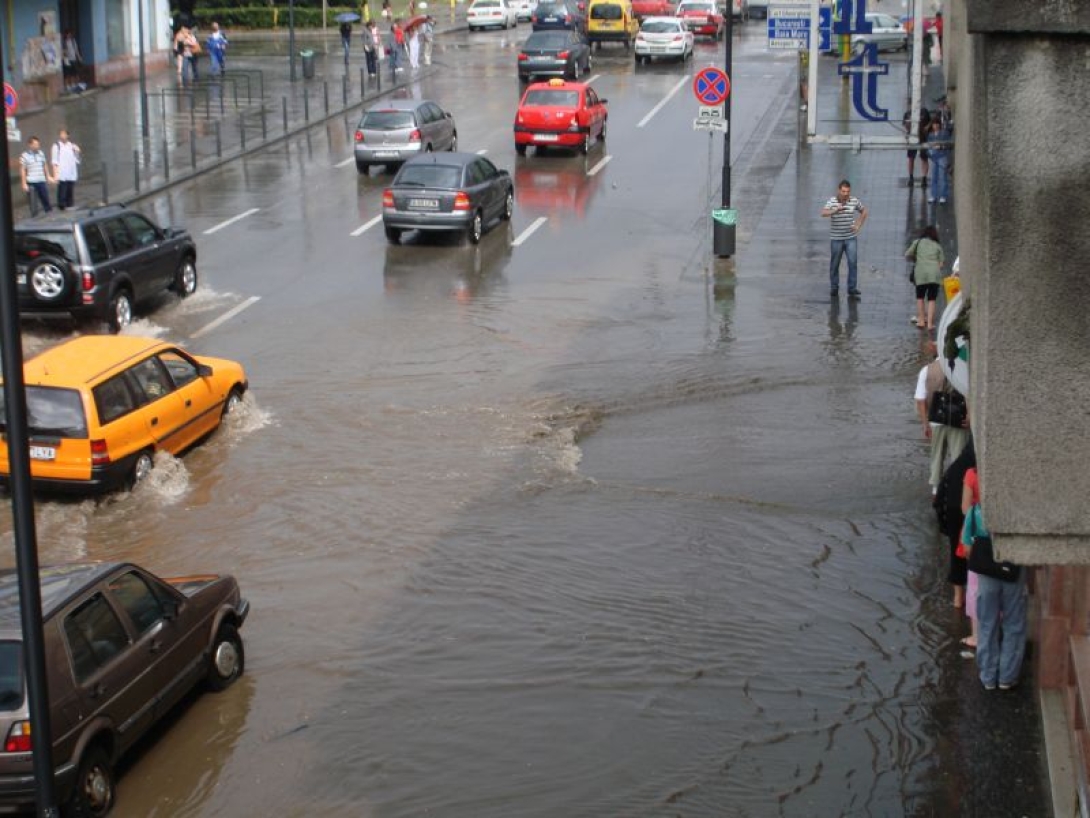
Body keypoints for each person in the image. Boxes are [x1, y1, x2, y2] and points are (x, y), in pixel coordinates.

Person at [962, 470, 1027, 691]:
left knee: (987, 623)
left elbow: (968, 549)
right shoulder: (1019, 512)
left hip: (986, 575)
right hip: (1012, 570)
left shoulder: (976, 512)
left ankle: (988, 675)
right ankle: (1007, 676)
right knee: (1014, 623)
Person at [914, 346, 970, 494]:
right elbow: (969, 393)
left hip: (936, 420)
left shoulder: (927, 370)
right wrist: (969, 416)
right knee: (958, 456)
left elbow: (920, 400)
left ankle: (936, 489)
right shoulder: (963, 368)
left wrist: (925, 424)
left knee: (936, 456)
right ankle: (958, 489)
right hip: (959, 421)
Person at [820, 179, 867, 299]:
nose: (845, 194)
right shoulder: (833, 201)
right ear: (839, 190)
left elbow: (864, 211)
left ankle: (852, 288)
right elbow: (823, 213)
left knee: (852, 262)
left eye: (847, 191)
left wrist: (858, 224)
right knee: (835, 263)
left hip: (850, 238)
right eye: (843, 191)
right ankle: (834, 287)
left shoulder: (854, 200)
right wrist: (835, 210)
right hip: (836, 238)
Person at [905, 225, 944, 329]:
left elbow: (907, 254)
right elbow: (941, 264)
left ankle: (921, 321)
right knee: (932, 299)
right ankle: (930, 324)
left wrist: (916, 258)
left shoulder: (917, 242)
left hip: (921, 274)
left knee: (920, 297)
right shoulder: (937, 245)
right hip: (934, 275)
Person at [20, 136, 55, 217]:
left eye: (38, 144)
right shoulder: (24, 155)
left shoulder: (41, 153)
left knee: (45, 198)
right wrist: (24, 183)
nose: (37, 146)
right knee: (33, 202)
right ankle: (34, 217)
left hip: (41, 180)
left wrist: (48, 176)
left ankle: (49, 215)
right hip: (31, 182)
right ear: (30, 145)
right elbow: (22, 170)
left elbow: (44, 165)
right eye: (35, 144)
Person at [50, 129, 81, 211]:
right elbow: (54, 161)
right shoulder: (56, 145)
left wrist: (77, 151)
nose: (62, 136)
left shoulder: (72, 145)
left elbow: (77, 159)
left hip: (71, 172)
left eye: (64, 134)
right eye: (61, 134)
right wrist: (55, 175)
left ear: (68, 135)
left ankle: (70, 206)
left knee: (70, 191)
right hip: (61, 173)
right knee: (62, 191)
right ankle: (62, 207)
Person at [901, 106, 930, 187]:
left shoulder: (924, 111)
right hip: (912, 138)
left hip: (923, 138)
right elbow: (904, 125)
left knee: (924, 158)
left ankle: (924, 178)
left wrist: (926, 129)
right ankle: (911, 177)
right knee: (911, 158)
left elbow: (929, 124)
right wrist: (906, 134)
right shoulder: (907, 113)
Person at [926, 117, 953, 204]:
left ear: (939, 125)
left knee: (942, 177)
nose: (936, 126)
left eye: (937, 124)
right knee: (934, 177)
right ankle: (933, 195)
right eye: (934, 124)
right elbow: (928, 146)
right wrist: (930, 153)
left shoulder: (944, 133)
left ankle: (943, 195)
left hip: (942, 156)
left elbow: (949, 145)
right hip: (934, 157)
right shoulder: (931, 135)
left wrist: (941, 147)